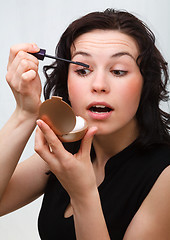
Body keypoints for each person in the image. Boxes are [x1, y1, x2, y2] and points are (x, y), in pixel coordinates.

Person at [0, 8, 170, 240]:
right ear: (66, 81)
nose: (99, 84)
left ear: (146, 84)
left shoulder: (165, 175)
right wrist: (25, 113)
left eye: (118, 71)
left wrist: (82, 193)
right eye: (82, 70)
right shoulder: (66, 149)